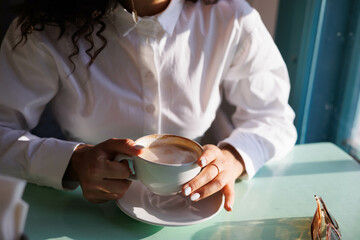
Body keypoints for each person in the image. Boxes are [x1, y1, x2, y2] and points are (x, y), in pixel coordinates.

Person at [0, 0, 297, 212]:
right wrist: (73, 163)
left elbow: (275, 118)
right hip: (81, 210)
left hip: (191, 211)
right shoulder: (44, 28)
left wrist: (234, 158)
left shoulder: (232, 17)